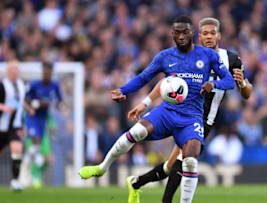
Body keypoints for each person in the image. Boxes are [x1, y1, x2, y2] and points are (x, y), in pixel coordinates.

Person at [78, 15, 236, 203]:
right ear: (172, 34)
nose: (181, 36)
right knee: (135, 132)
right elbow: (144, 77)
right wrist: (123, 90)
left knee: (189, 162)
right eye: (177, 32)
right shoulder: (165, 57)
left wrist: (214, 84)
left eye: (185, 32)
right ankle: (102, 168)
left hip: (192, 117)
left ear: (191, 33)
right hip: (167, 112)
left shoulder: (208, 55)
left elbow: (229, 81)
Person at [125, 17, 253, 203]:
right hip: (184, 115)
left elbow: (247, 93)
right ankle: (163, 199)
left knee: (172, 166)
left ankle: (136, 183)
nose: (209, 37)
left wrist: (241, 83)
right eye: (205, 33)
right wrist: (146, 102)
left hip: (207, 119)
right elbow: (166, 83)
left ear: (219, 35)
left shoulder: (231, 59)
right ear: (198, 36)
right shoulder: (187, 56)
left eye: (213, 33)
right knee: (182, 162)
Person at [24, 62, 62, 188]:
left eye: (49, 73)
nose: (46, 75)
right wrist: (33, 104)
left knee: (48, 159)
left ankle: (33, 166)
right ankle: (29, 167)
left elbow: (59, 102)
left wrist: (56, 106)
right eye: (45, 72)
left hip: (44, 120)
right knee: (36, 140)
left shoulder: (54, 86)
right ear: (42, 73)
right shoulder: (34, 85)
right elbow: (25, 100)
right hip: (32, 117)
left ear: (51, 73)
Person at [0, 60, 34, 191]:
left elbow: (20, 102)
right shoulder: (2, 85)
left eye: (16, 68)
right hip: (1, 126)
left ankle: (15, 181)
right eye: (12, 68)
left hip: (15, 125)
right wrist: (4, 108)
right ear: (8, 71)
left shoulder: (21, 85)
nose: (14, 71)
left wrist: (28, 108)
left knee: (17, 149)